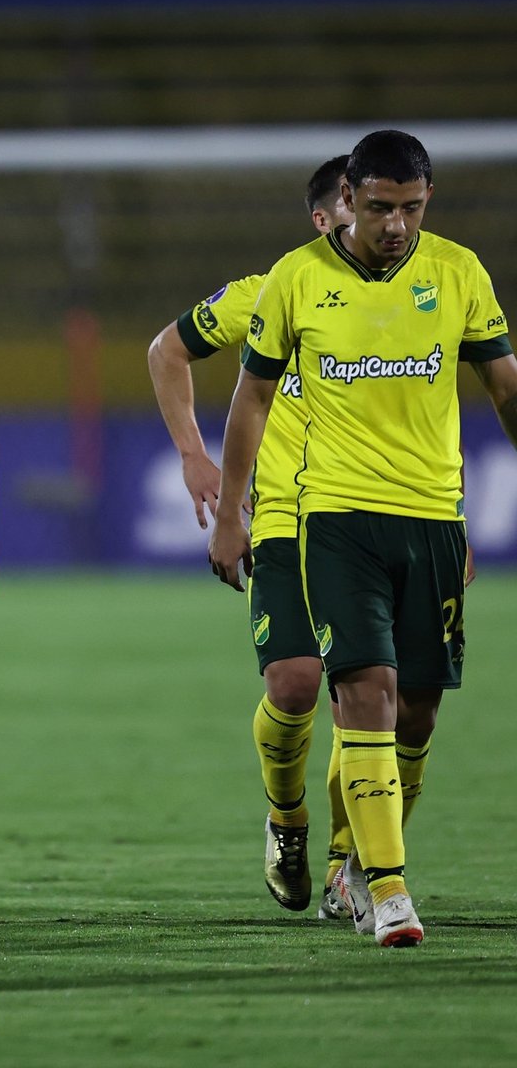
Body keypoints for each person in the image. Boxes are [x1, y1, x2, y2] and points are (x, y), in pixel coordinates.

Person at [209, 130, 517, 947]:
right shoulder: (296, 279)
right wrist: (229, 508)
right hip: (332, 519)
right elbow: (249, 400)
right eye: (380, 208)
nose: (395, 225)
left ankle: (351, 863)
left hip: (432, 519)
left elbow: (503, 383)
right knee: (356, 690)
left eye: (411, 209)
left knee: (416, 711)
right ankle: (388, 890)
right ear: (347, 197)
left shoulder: (458, 273)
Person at [147, 156, 357, 918]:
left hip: (379, 517)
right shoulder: (263, 295)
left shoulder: (410, 301)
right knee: (297, 682)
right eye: (349, 204)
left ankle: (347, 862)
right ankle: (288, 819)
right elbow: (164, 351)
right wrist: (194, 454)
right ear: (323, 218)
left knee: (373, 701)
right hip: (288, 522)